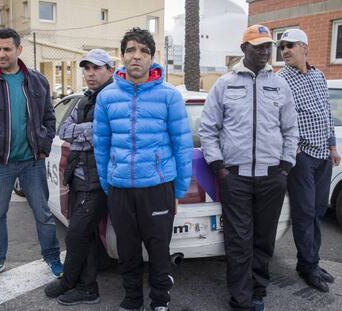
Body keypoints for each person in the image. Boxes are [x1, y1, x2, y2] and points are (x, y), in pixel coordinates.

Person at [199, 25, 299, 311]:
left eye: (268, 46)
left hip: (272, 178)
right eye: (258, 47)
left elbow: (291, 129)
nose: (265, 51)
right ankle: (241, 300)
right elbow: (208, 129)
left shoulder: (280, 85)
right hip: (236, 178)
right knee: (239, 241)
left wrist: (285, 166)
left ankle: (258, 291)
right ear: (244, 49)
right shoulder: (224, 84)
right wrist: (218, 167)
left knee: (264, 240)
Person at [93, 27, 193, 311]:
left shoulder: (169, 96)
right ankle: (132, 298)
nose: (136, 56)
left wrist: (180, 190)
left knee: (159, 249)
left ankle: (160, 300)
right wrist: (107, 184)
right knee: (127, 250)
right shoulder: (107, 97)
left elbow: (182, 146)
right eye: (131, 50)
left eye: (143, 51)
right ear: (123, 56)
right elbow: (101, 146)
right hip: (120, 188)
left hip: (158, 187)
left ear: (152, 57)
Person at [0, 28, 61, 282]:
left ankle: (52, 258)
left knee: (43, 214)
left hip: (32, 162)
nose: (1, 54)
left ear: (19, 50)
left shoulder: (37, 80)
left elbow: (49, 117)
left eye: (6, 49)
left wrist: (44, 146)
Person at [44, 49, 114, 306]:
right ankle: (86, 278)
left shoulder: (114, 97)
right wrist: (88, 135)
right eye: (86, 68)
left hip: (98, 180)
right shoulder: (85, 99)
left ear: (110, 70)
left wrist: (83, 135)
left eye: (96, 68)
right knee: (86, 234)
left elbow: (105, 132)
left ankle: (79, 284)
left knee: (76, 235)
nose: (90, 73)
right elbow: (64, 130)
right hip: (80, 176)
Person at [278, 29, 341, 293]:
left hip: (323, 155)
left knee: (317, 210)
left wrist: (332, 146)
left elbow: (326, 111)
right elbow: (275, 118)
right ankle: (308, 266)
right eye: (282, 47)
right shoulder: (281, 79)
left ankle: (312, 261)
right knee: (304, 214)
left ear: (304, 47)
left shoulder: (318, 75)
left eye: (290, 45)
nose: (285, 51)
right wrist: (292, 150)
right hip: (301, 156)